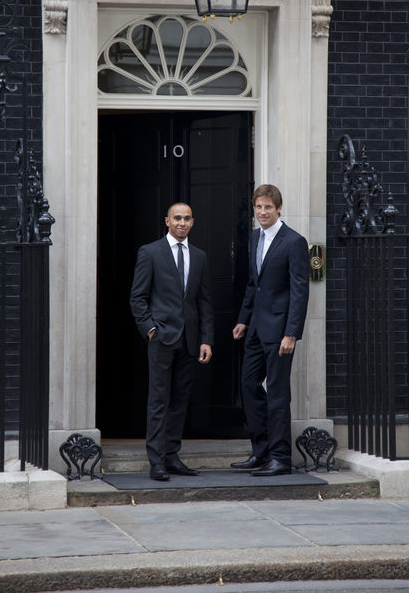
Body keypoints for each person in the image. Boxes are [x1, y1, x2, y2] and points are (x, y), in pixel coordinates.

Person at [130, 202, 213, 481]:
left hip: (189, 340)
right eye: (177, 218)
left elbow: (204, 302)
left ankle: (172, 455)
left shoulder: (199, 256)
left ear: (193, 222)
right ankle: (156, 460)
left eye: (187, 218)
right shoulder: (150, 252)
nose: (182, 223)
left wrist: (206, 340)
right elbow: (138, 297)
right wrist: (150, 329)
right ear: (166, 221)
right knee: (158, 400)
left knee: (180, 401)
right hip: (162, 338)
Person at [232, 184, 309, 476]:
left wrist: (292, 333)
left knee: (277, 393)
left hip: (280, 332)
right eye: (258, 207)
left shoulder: (294, 242)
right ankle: (261, 451)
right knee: (248, 387)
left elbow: (300, 291)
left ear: (279, 209)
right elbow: (255, 284)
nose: (263, 212)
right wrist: (242, 319)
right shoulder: (254, 238)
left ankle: (280, 457)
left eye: (268, 207)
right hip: (254, 328)